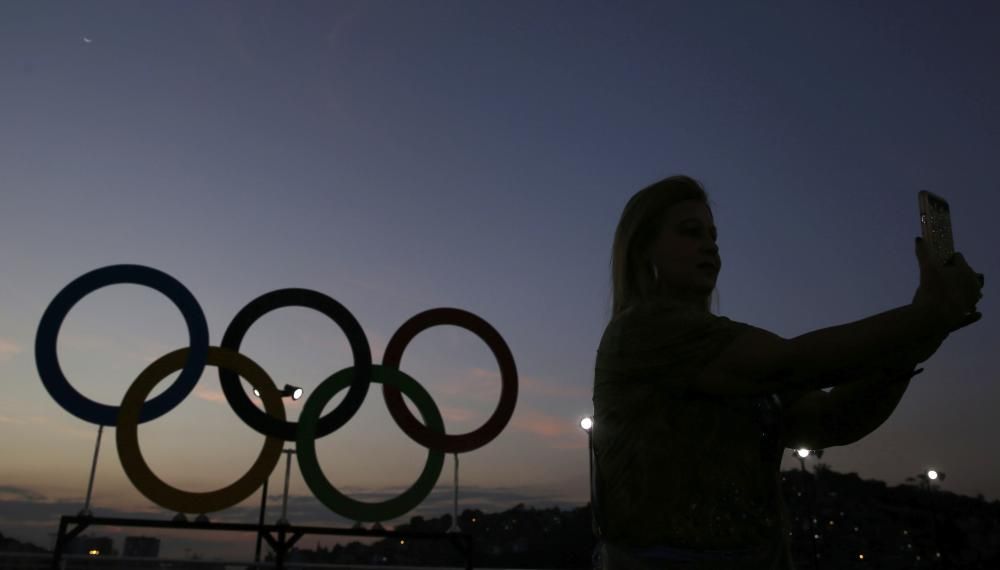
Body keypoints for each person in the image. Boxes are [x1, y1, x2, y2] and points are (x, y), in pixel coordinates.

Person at [591, 175, 984, 569]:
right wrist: (924, 318)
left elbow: (829, 420)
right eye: (691, 232)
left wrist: (918, 340)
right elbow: (791, 362)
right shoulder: (640, 332)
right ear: (644, 251)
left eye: (713, 236)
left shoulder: (728, 351)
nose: (710, 245)